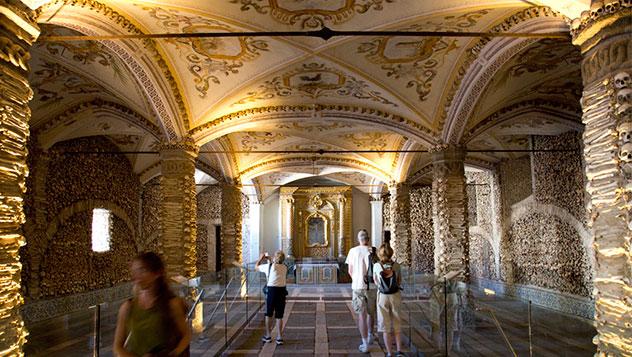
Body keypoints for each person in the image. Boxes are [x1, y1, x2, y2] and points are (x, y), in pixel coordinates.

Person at [113, 252, 190, 357]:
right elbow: (117, 346)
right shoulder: (127, 307)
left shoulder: (172, 304)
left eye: (142, 271)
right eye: (135, 271)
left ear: (157, 273)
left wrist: (172, 354)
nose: (137, 277)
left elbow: (185, 335)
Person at [345, 229, 377, 353]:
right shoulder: (373, 250)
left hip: (358, 285)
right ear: (368, 239)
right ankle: (370, 335)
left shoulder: (353, 251)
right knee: (371, 313)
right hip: (372, 286)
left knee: (361, 315)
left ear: (359, 239)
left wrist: (357, 279)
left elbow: (350, 271)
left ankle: (365, 343)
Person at [373, 243, 403, 357]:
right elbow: (399, 281)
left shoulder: (377, 266)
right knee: (397, 322)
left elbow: (376, 282)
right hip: (395, 295)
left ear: (379, 254)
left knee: (385, 325)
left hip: (383, 296)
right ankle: (399, 352)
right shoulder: (397, 266)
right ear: (391, 253)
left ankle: (390, 353)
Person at [256, 251, 288, 345]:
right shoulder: (285, 267)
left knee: (269, 314)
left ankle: (268, 335)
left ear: (275, 258)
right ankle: (279, 337)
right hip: (281, 291)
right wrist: (270, 259)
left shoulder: (270, 266)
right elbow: (275, 266)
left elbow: (256, 267)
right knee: (279, 315)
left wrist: (261, 258)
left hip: (272, 291)